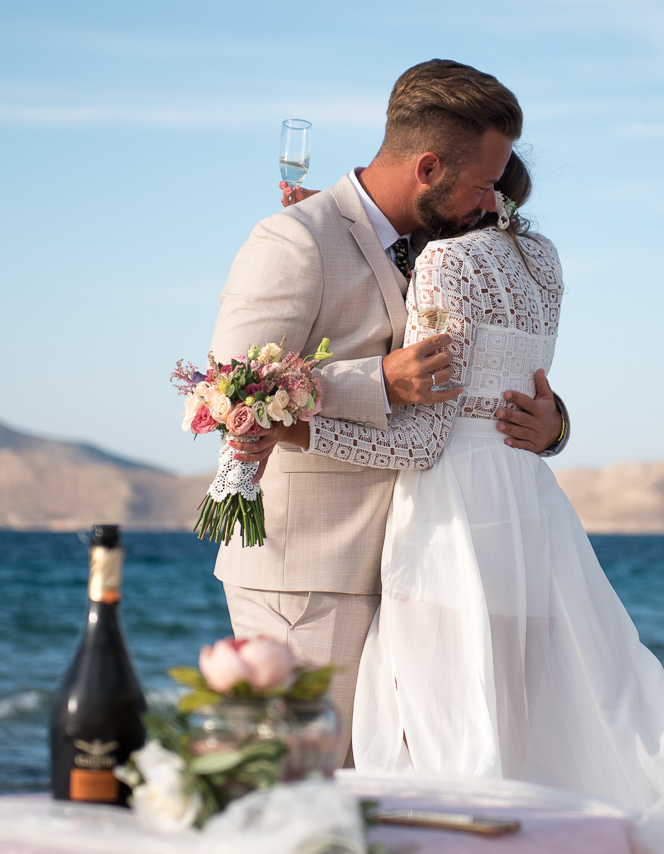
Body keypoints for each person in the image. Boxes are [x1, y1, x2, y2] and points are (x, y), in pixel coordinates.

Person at [264, 153, 664, 853]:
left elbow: (421, 442)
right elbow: (522, 382)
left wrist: (294, 426)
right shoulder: (543, 259)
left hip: (451, 513)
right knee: (538, 707)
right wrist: (556, 425)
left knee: (445, 715)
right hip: (527, 506)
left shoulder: (445, 262)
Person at [207, 59, 571, 767]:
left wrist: (552, 423)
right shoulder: (295, 239)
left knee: (365, 798)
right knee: (294, 787)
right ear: (429, 166)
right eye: (484, 183)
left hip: (410, 562)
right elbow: (231, 392)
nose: (494, 200)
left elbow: (469, 384)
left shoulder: (446, 250)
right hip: (309, 573)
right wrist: (375, 378)